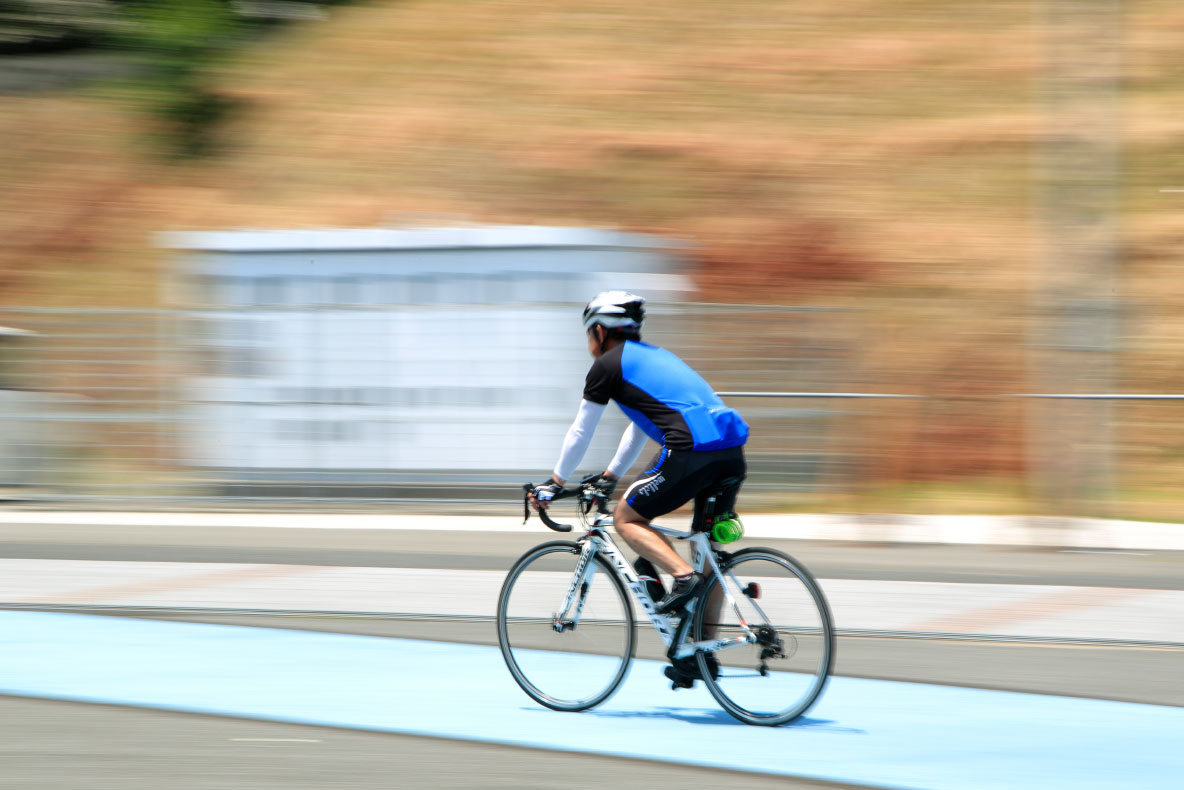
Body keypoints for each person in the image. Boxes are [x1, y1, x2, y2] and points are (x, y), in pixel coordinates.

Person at [529, 291, 749, 680]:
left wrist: (555, 482)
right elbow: (638, 427)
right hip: (729, 451)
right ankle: (700, 653)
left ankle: (681, 578)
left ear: (598, 331)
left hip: (691, 448)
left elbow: (582, 429)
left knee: (627, 518)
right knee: (707, 549)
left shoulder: (607, 366)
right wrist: (612, 475)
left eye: (588, 336)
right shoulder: (655, 357)